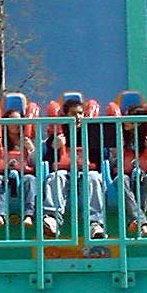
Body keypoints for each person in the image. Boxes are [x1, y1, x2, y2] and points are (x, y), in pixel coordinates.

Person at [42, 98, 106, 239]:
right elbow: (48, 160)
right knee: (55, 177)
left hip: (86, 171)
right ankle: (52, 219)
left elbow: (99, 158)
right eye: (73, 113)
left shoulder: (91, 133)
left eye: (80, 113)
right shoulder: (57, 133)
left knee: (94, 178)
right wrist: (55, 147)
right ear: (66, 115)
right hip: (64, 171)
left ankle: (95, 224)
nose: (77, 117)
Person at [113, 104, 147, 236]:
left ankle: (136, 220)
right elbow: (112, 161)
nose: (126, 122)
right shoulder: (118, 136)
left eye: (130, 120)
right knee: (122, 180)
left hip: (143, 173)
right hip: (124, 173)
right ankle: (141, 221)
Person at [0, 109, 37, 228]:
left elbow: (35, 163)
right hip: (3, 173)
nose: (16, 123)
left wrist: (31, 149)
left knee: (30, 180)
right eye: (12, 120)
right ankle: (0, 215)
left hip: (24, 173)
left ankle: (28, 215)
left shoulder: (28, 140)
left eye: (19, 120)